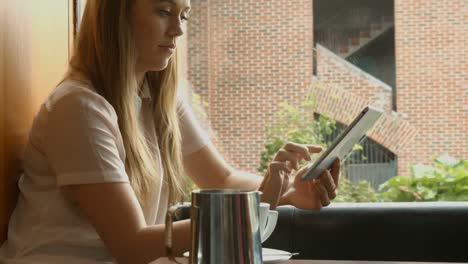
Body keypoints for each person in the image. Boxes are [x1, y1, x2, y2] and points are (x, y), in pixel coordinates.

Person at [0, 0, 340, 263]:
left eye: (185, 14)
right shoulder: (79, 108)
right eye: (164, 11)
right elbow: (131, 245)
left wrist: (288, 193)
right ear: (116, 16)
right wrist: (246, 214)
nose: (178, 29)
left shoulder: (159, 99)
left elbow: (221, 179)